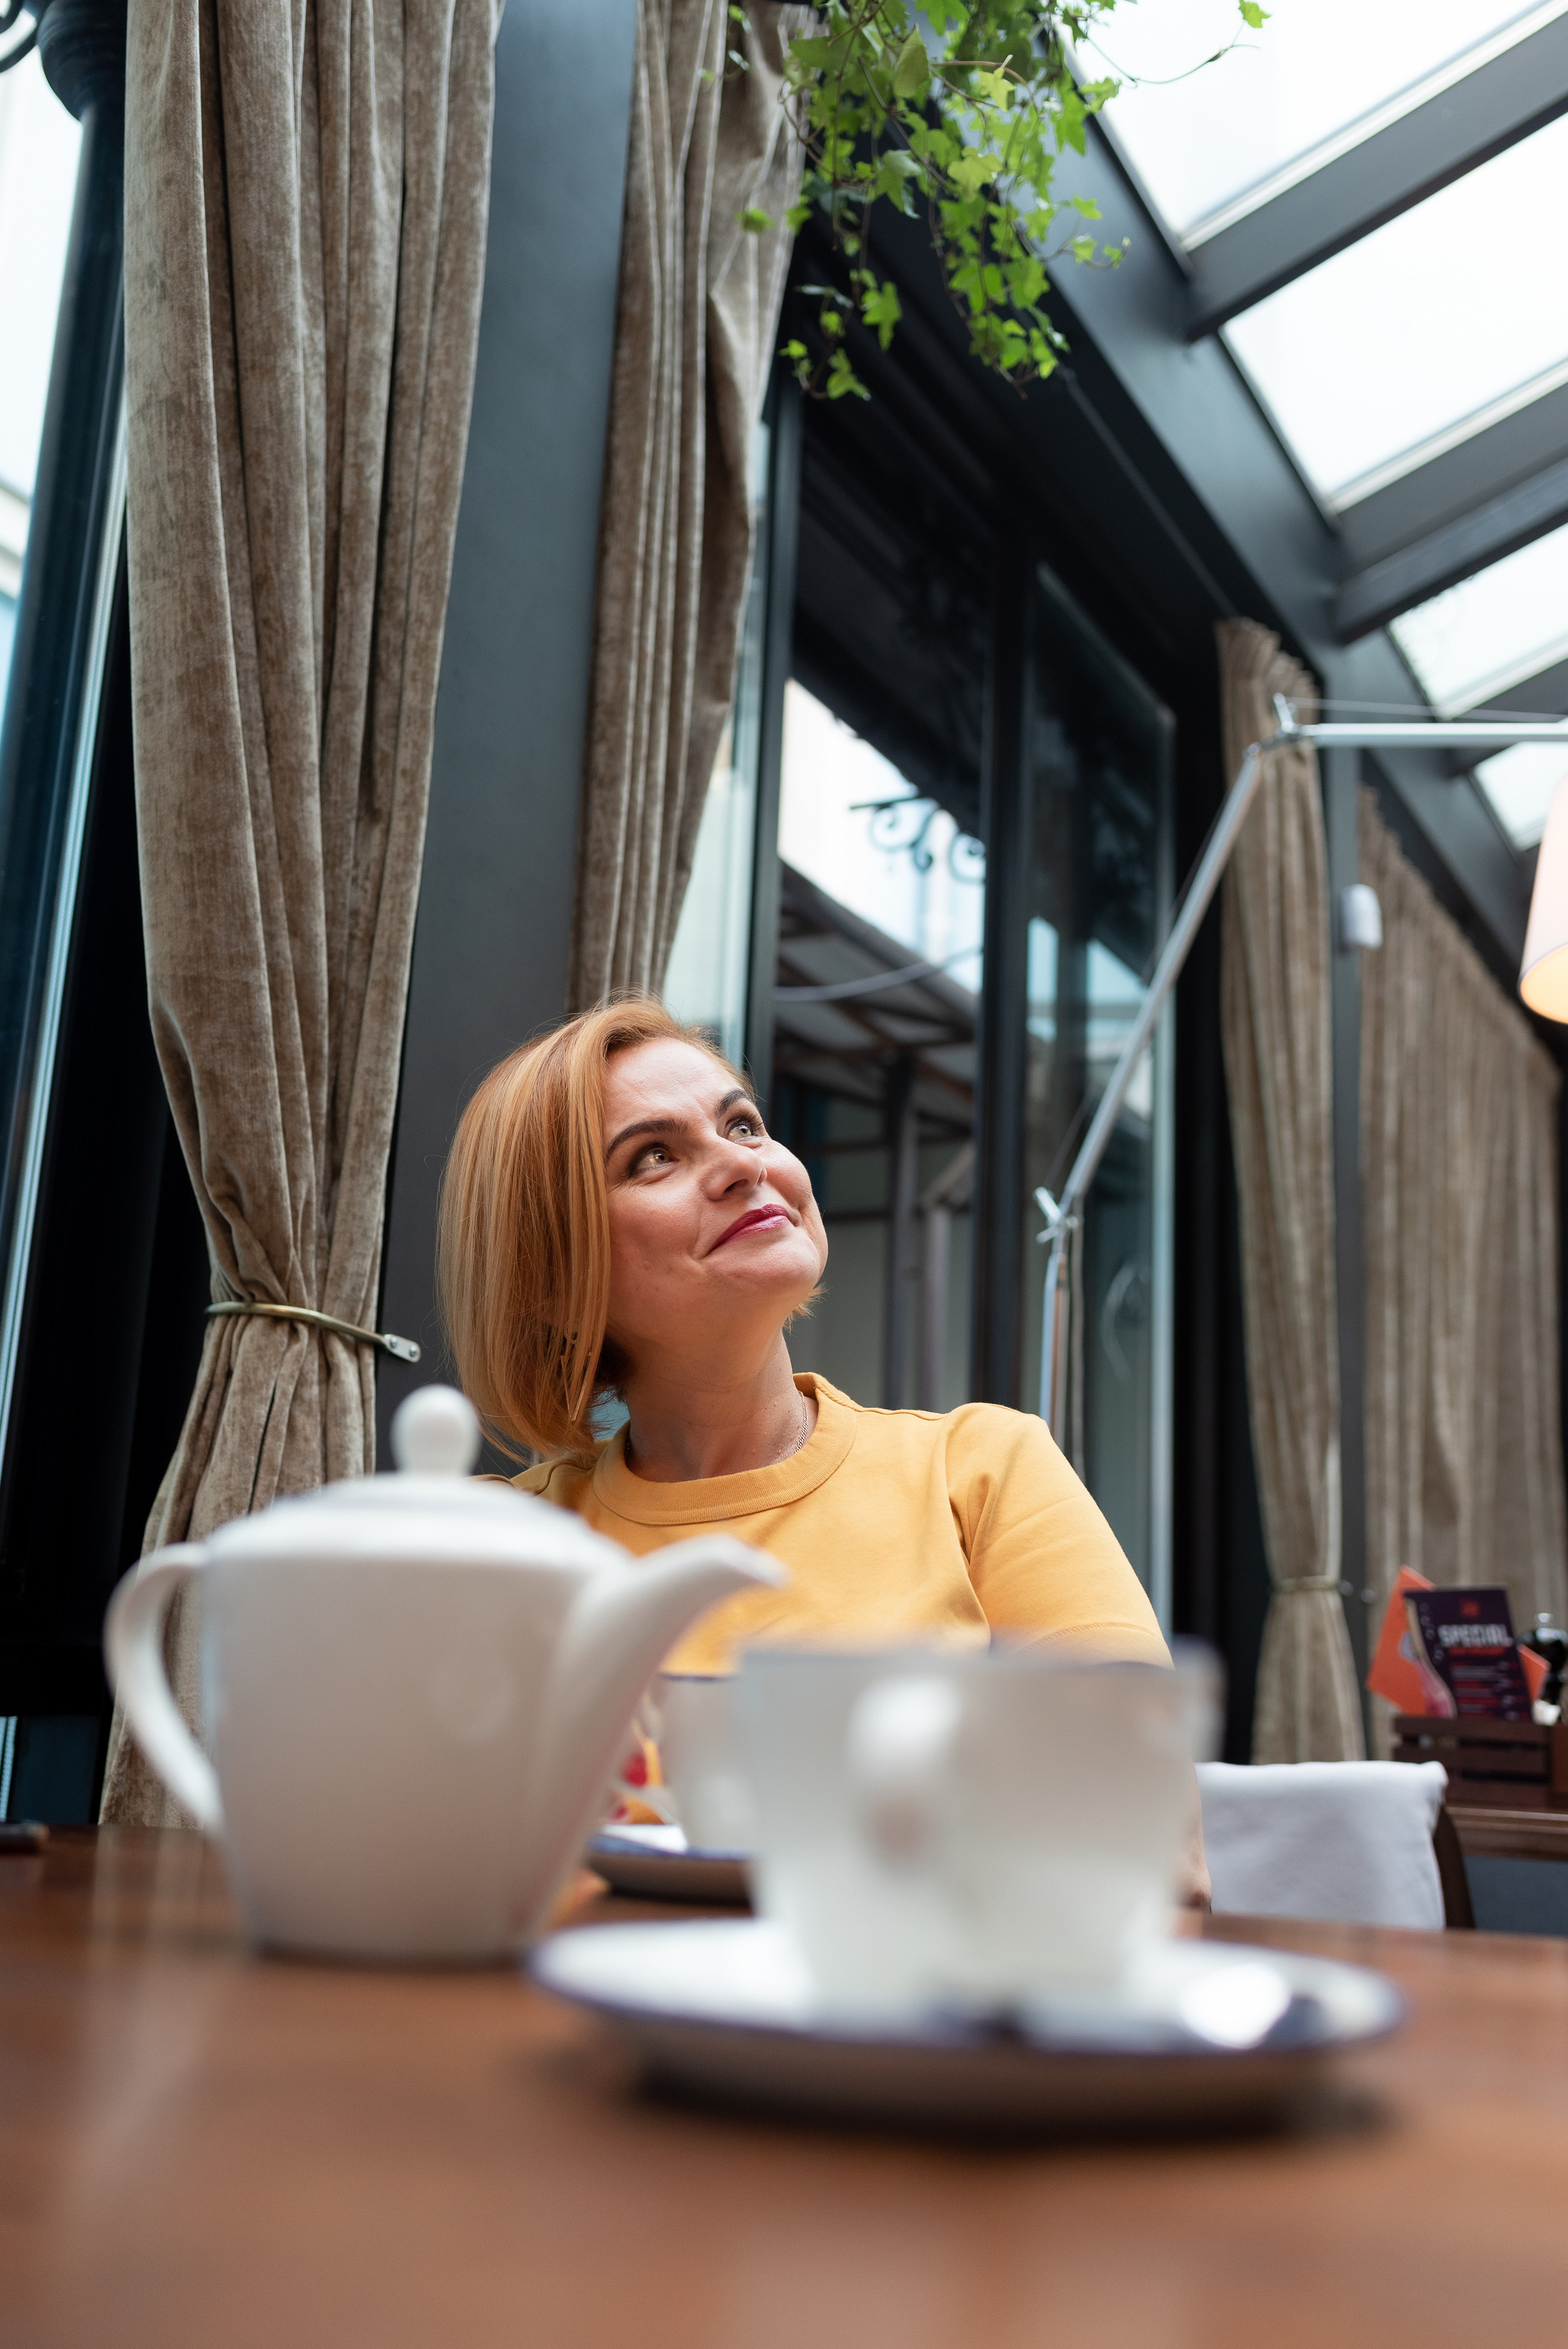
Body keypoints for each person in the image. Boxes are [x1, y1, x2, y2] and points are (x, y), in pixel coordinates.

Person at [440, 997, 1208, 1902]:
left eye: (744, 1123)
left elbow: (1151, 1856)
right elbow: (431, 1867)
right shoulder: (506, 1545)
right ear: (556, 1272)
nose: (741, 1164)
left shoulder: (985, 1469)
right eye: (653, 1156)